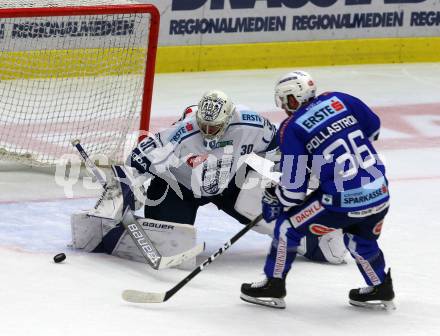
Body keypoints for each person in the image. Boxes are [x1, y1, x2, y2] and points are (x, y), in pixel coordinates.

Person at [71, 89, 346, 267]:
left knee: (269, 215)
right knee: (171, 246)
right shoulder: (179, 134)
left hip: (231, 181)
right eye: (202, 124)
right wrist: (123, 193)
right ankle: (116, 233)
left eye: (213, 126)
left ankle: (311, 236)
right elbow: (136, 162)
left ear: (228, 118)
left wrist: (289, 176)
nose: (207, 130)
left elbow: (281, 145)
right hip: (178, 187)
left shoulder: (251, 124)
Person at [240, 71, 395, 310]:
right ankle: (380, 286)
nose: (283, 106)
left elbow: (292, 191)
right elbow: (373, 129)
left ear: (292, 98)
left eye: (284, 100)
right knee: (359, 237)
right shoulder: (340, 98)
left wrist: (274, 197)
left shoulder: (291, 127)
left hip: (342, 199)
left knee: (286, 227)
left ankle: (273, 284)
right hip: (379, 191)